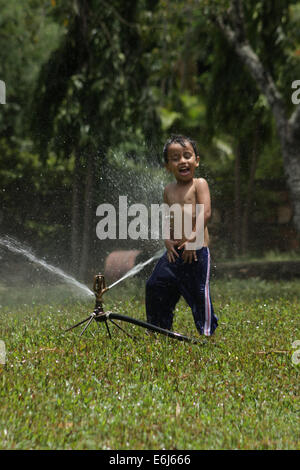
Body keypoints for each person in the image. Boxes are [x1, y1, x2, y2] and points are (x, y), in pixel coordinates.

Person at [145, 134, 218, 336]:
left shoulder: (199, 184)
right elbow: (170, 218)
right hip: (175, 252)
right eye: (175, 158)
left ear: (196, 160)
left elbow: (206, 212)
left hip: (196, 252)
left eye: (187, 155)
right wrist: (167, 239)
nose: (182, 161)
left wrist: (193, 239)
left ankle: (206, 334)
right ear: (167, 166)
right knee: (155, 285)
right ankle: (157, 328)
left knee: (198, 295)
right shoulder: (168, 190)